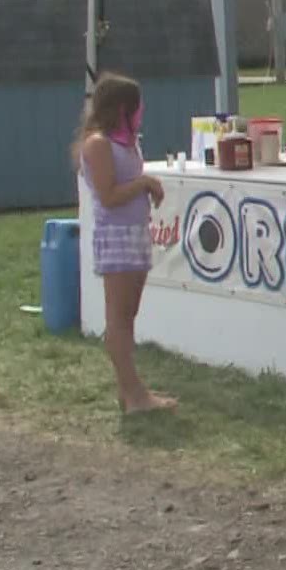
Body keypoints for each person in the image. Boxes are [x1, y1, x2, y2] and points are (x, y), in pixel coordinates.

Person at [74, 73, 173, 415]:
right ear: (121, 108)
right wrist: (144, 183)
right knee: (117, 318)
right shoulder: (98, 144)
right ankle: (136, 395)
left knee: (129, 316)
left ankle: (128, 388)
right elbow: (109, 194)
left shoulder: (126, 143)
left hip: (135, 234)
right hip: (116, 237)